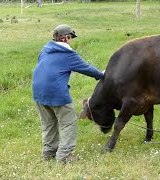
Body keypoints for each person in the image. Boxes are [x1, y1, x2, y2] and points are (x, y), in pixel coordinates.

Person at [32, 24, 104, 163]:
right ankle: (64, 157)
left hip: (38, 92)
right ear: (66, 38)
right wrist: (101, 75)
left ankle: (48, 153)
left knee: (48, 123)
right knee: (68, 123)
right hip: (57, 93)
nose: (71, 41)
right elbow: (86, 68)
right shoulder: (68, 54)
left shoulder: (45, 50)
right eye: (70, 38)